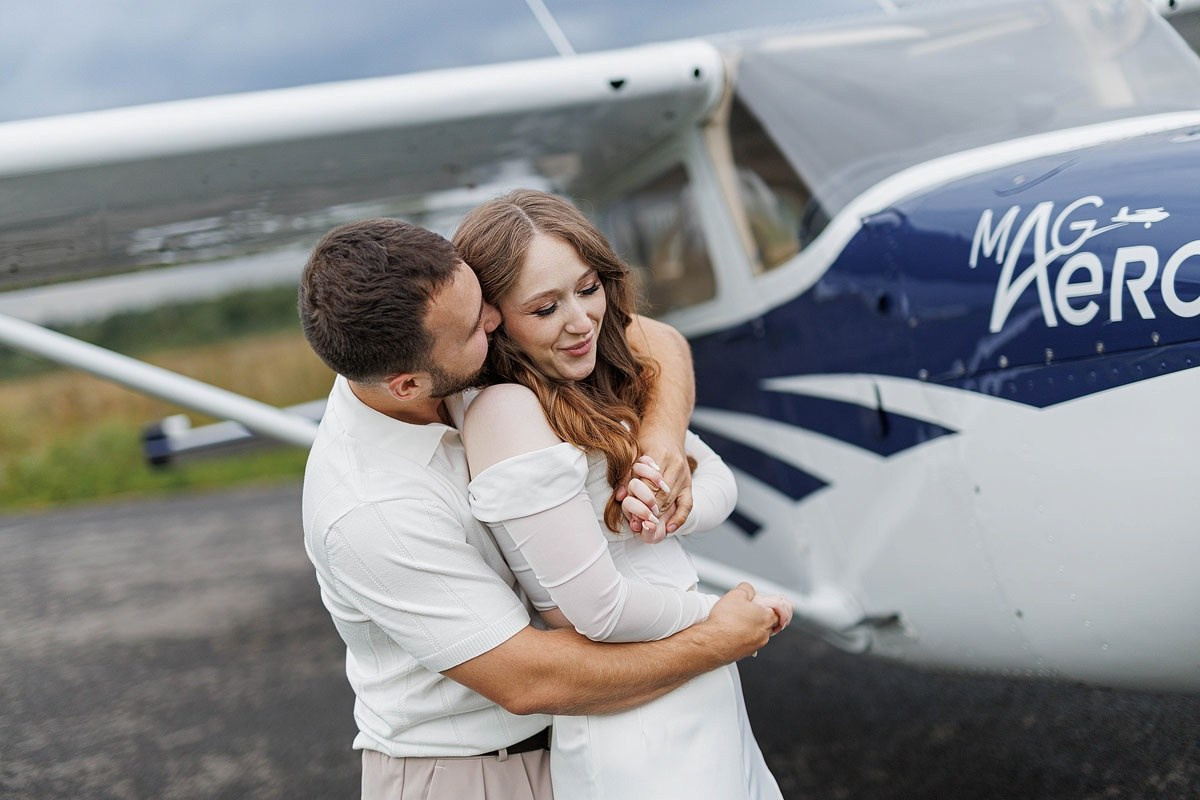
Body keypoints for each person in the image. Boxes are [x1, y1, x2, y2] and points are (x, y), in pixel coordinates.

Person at [297, 217, 781, 799]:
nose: (495, 318)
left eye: (484, 299)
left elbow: (657, 341)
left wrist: (660, 439)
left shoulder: (456, 348)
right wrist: (717, 637)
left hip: (580, 733)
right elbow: (530, 680)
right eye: (475, 325)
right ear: (406, 385)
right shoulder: (369, 510)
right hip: (468, 772)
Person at [452, 189, 790, 800]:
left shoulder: (595, 375)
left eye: (587, 289)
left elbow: (718, 481)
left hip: (701, 692)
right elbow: (597, 612)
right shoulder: (506, 411)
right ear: (494, 317)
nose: (581, 321)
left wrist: (669, 501)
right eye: (545, 307)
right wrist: (721, 620)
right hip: (637, 722)